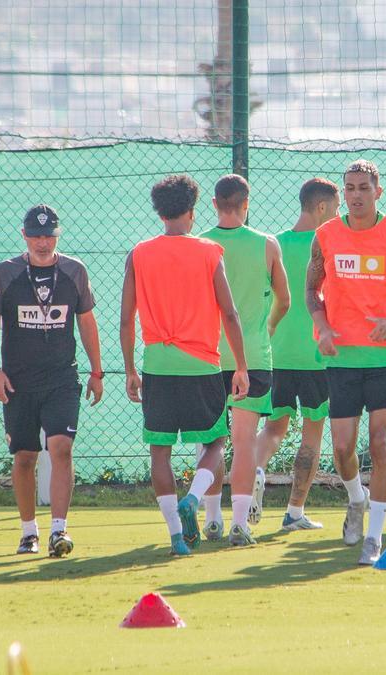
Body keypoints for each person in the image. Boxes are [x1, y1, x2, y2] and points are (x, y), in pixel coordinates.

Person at [306, 159, 386, 565]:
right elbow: (311, 291)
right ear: (343, 193)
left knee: (380, 443)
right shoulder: (326, 236)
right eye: (351, 188)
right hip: (342, 357)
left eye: (364, 188)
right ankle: (355, 500)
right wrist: (322, 327)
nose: (357, 195)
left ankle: (374, 537)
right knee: (342, 448)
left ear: (379, 192)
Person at [119, 174, 250, 556]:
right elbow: (230, 312)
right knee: (215, 442)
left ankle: (177, 535)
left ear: (160, 212)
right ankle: (193, 498)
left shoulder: (139, 252)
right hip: (202, 366)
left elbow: (127, 319)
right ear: (192, 212)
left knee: (160, 453)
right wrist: (240, 366)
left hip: (157, 365)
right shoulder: (209, 251)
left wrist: (130, 369)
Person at [0, 205, 103, 557]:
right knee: (24, 456)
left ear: (58, 235)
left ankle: (59, 531)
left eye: (49, 235)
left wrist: (97, 372)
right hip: (18, 382)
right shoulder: (5, 272)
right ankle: (27, 531)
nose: (42, 242)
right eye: (35, 236)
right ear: (24, 236)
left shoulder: (74, 271)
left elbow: (87, 322)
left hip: (62, 378)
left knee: (61, 447)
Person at [199, 175, 289, 540]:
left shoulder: (201, 244)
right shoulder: (267, 245)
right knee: (245, 439)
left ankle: (211, 521)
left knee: (210, 441)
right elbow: (284, 300)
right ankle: (238, 523)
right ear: (246, 203)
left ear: (214, 204)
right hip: (252, 356)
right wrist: (264, 330)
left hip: (206, 356)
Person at [256, 178, 340, 532]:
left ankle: (255, 473)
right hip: (316, 356)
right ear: (321, 208)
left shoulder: (272, 245)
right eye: (336, 209)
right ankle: (294, 511)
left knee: (273, 428)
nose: (338, 216)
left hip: (275, 355)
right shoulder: (330, 245)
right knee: (312, 432)